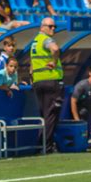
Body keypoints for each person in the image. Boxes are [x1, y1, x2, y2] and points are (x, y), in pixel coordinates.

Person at [30, 18, 64, 153]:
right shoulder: (46, 39)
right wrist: (55, 62)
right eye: (50, 26)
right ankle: (47, 146)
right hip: (51, 81)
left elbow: (32, 66)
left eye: (54, 26)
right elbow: (55, 49)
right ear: (42, 27)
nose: (53, 29)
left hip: (39, 82)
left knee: (44, 115)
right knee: (51, 115)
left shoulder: (35, 42)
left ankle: (41, 144)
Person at [71, 64, 91, 136]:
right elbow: (73, 101)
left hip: (85, 116)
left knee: (85, 136)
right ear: (90, 73)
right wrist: (77, 120)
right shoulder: (82, 85)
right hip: (75, 115)